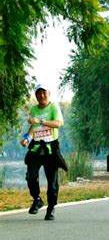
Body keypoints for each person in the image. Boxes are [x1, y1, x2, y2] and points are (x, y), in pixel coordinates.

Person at [21, 84, 67, 221]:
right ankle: (37, 199)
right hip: (36, 148)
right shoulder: (34, 109)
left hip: (50, 149)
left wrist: (41, 121)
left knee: (52, 181)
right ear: (35, 95)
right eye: (38, 93)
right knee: (31, 176)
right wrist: (27, 138)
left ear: (49, 93)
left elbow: (58, 124)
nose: (41, 96)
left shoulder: (54, 107)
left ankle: (51, 208)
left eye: (44, 93)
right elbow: (34, 127)